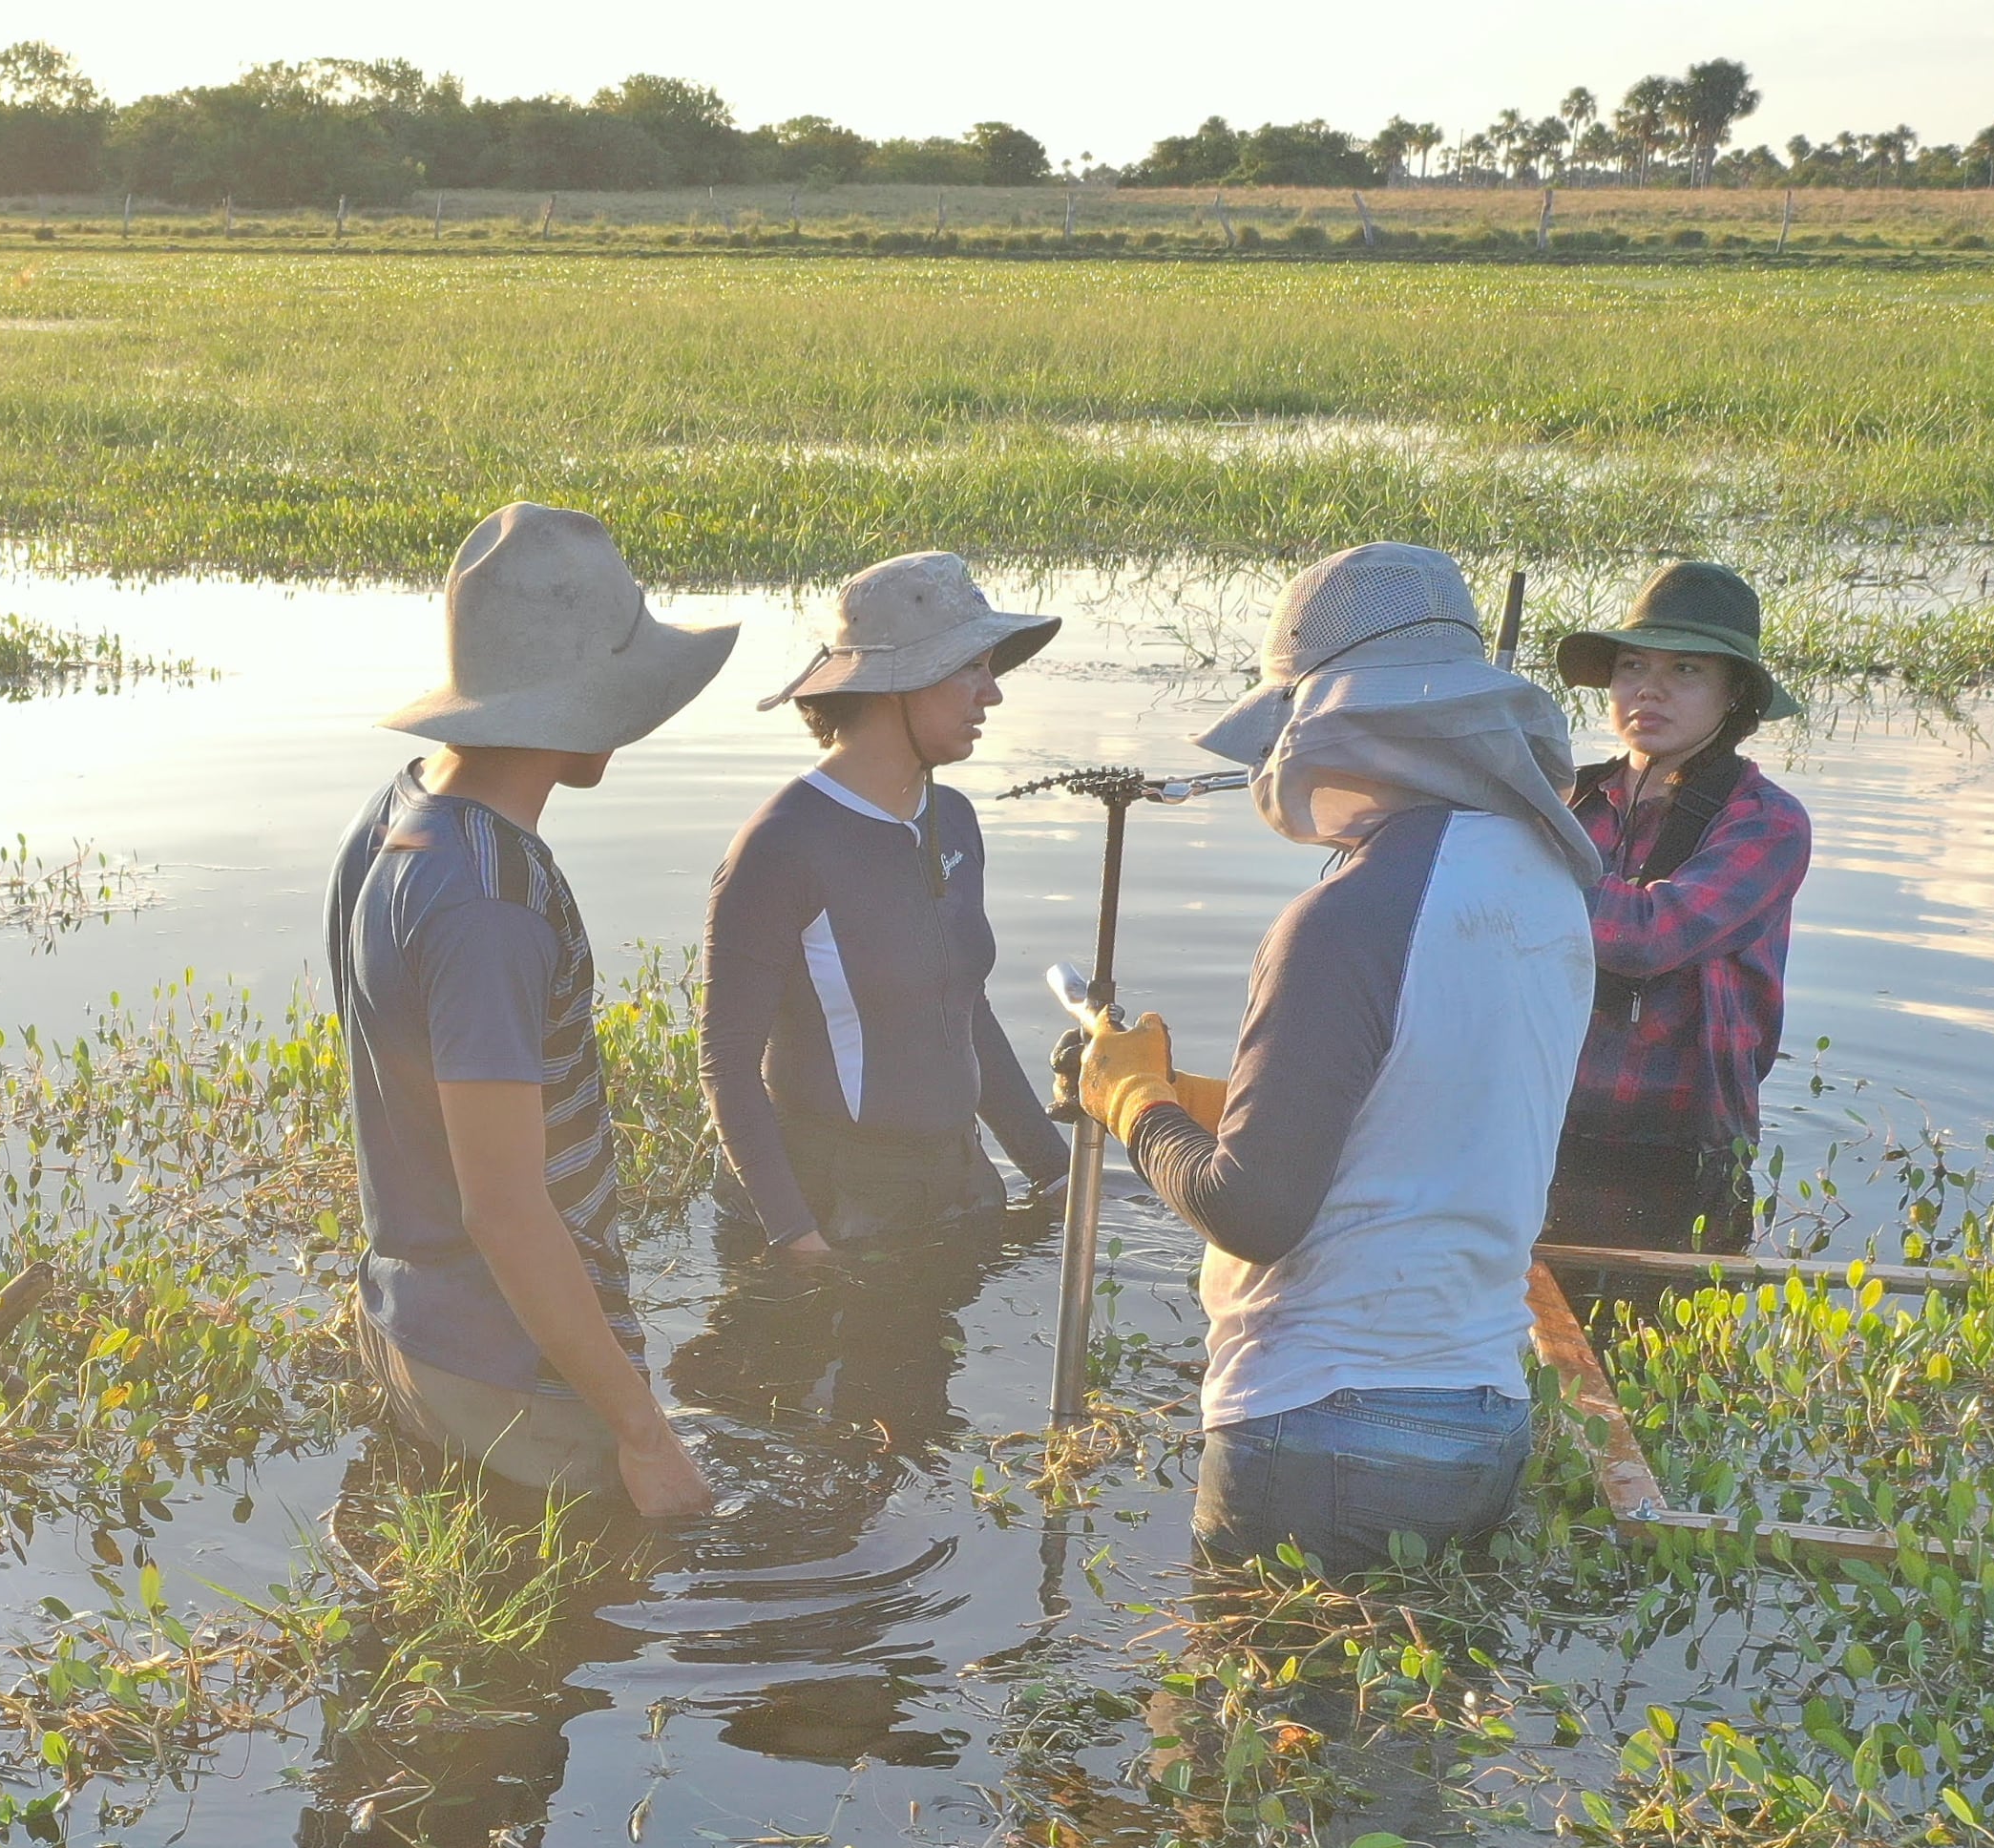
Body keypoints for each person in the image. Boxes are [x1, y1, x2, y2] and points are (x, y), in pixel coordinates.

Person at [1061, 544, 1595, 1575]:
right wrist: (1198, 1095)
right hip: (1481, 1417)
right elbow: (1426, 1104)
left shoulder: (1343, 916)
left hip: (1319, 1428)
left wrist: (1131, 1101)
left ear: (1337, 722)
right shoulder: (1542, 884)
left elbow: (1254, 1211)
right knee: (1405, 1732)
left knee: (1237, 1730)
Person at [330, 501, 738, 1522]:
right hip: (503, 1373)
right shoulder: (490, 902)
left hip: (408, 1323)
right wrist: (642, 1432)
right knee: (590, 1645)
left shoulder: (396, 809)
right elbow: (505, 1209)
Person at [706, 550, 1074, 1260]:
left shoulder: (955, 819)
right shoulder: (781, 846)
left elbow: (965, 1010)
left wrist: (1056, 1172)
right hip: (829, 1212)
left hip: (950, 1189)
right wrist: (796, 1240)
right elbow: (726, 1061)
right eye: (970, 667)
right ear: (891, 687)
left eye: (989, 667)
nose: (990, 694)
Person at [1544, 560, 1815, 1253]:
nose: (1649, 689)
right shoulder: (1565, 799)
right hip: (1540, 1127)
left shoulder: (1766, 822)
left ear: (1734, 696)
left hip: (1679, 1154)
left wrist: (1514, 867)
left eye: (1686, 670)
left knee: (1660, 1354)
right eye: (1632, 664)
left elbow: (1651, 936)